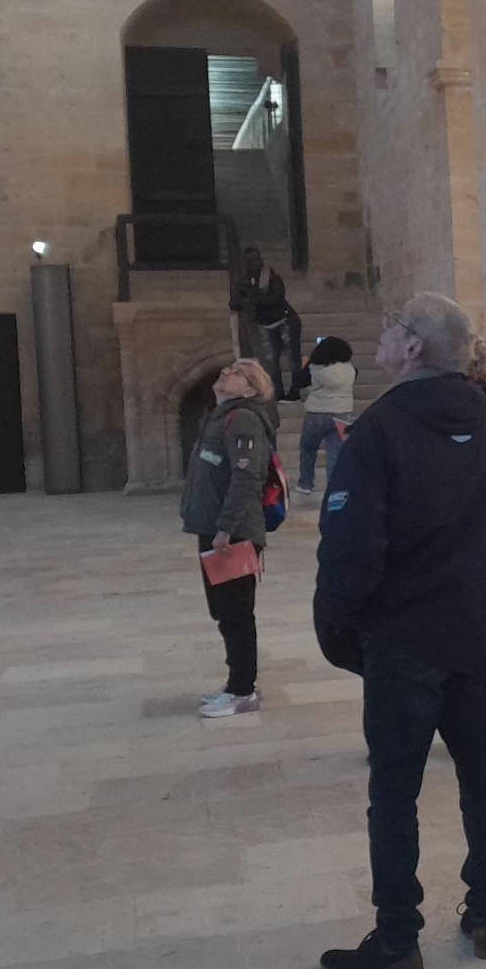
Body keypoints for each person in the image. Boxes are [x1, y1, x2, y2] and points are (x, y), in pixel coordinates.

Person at [312, 293, 486, 969]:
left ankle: (397, 941)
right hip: (474, 638)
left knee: (395, 792)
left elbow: (352, 546)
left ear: (413, 348)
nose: (382, 336)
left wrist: (339, 627)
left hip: (404, 641)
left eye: (392, 327)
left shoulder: (380, 430)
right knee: (481, 775)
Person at [179, 358, 280, 720]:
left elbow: (247, 478)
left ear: (251, 389)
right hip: (215, 528)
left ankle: (243, 690)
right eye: (228, 369)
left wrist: (225, 527)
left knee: (236, 612)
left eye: (237, 373)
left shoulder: (244, 419)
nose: (226, 372)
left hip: (232, 532)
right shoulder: (220, 416)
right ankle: (236, 682)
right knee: (224, 611)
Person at [230, 246, 301, 399]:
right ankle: (278, 393)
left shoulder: (272, 277)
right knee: (271, 361)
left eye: (256, 260)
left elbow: (275, 298)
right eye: (250, 261)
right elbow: (234, 303)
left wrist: (252, 299)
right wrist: (254, 298)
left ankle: (295, 391)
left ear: (261, 261)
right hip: (266, 324)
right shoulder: (243, 282)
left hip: (285, 320)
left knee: (292, 358)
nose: (253, 264)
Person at [292, 336, 355, 496]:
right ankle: (333, 486)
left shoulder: (314, 369)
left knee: (308, 448)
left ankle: (306, 483)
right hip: (342, 414)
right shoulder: (351, 370)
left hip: (316, 414)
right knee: (335, 454)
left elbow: (298, 381)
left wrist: (305, 364)